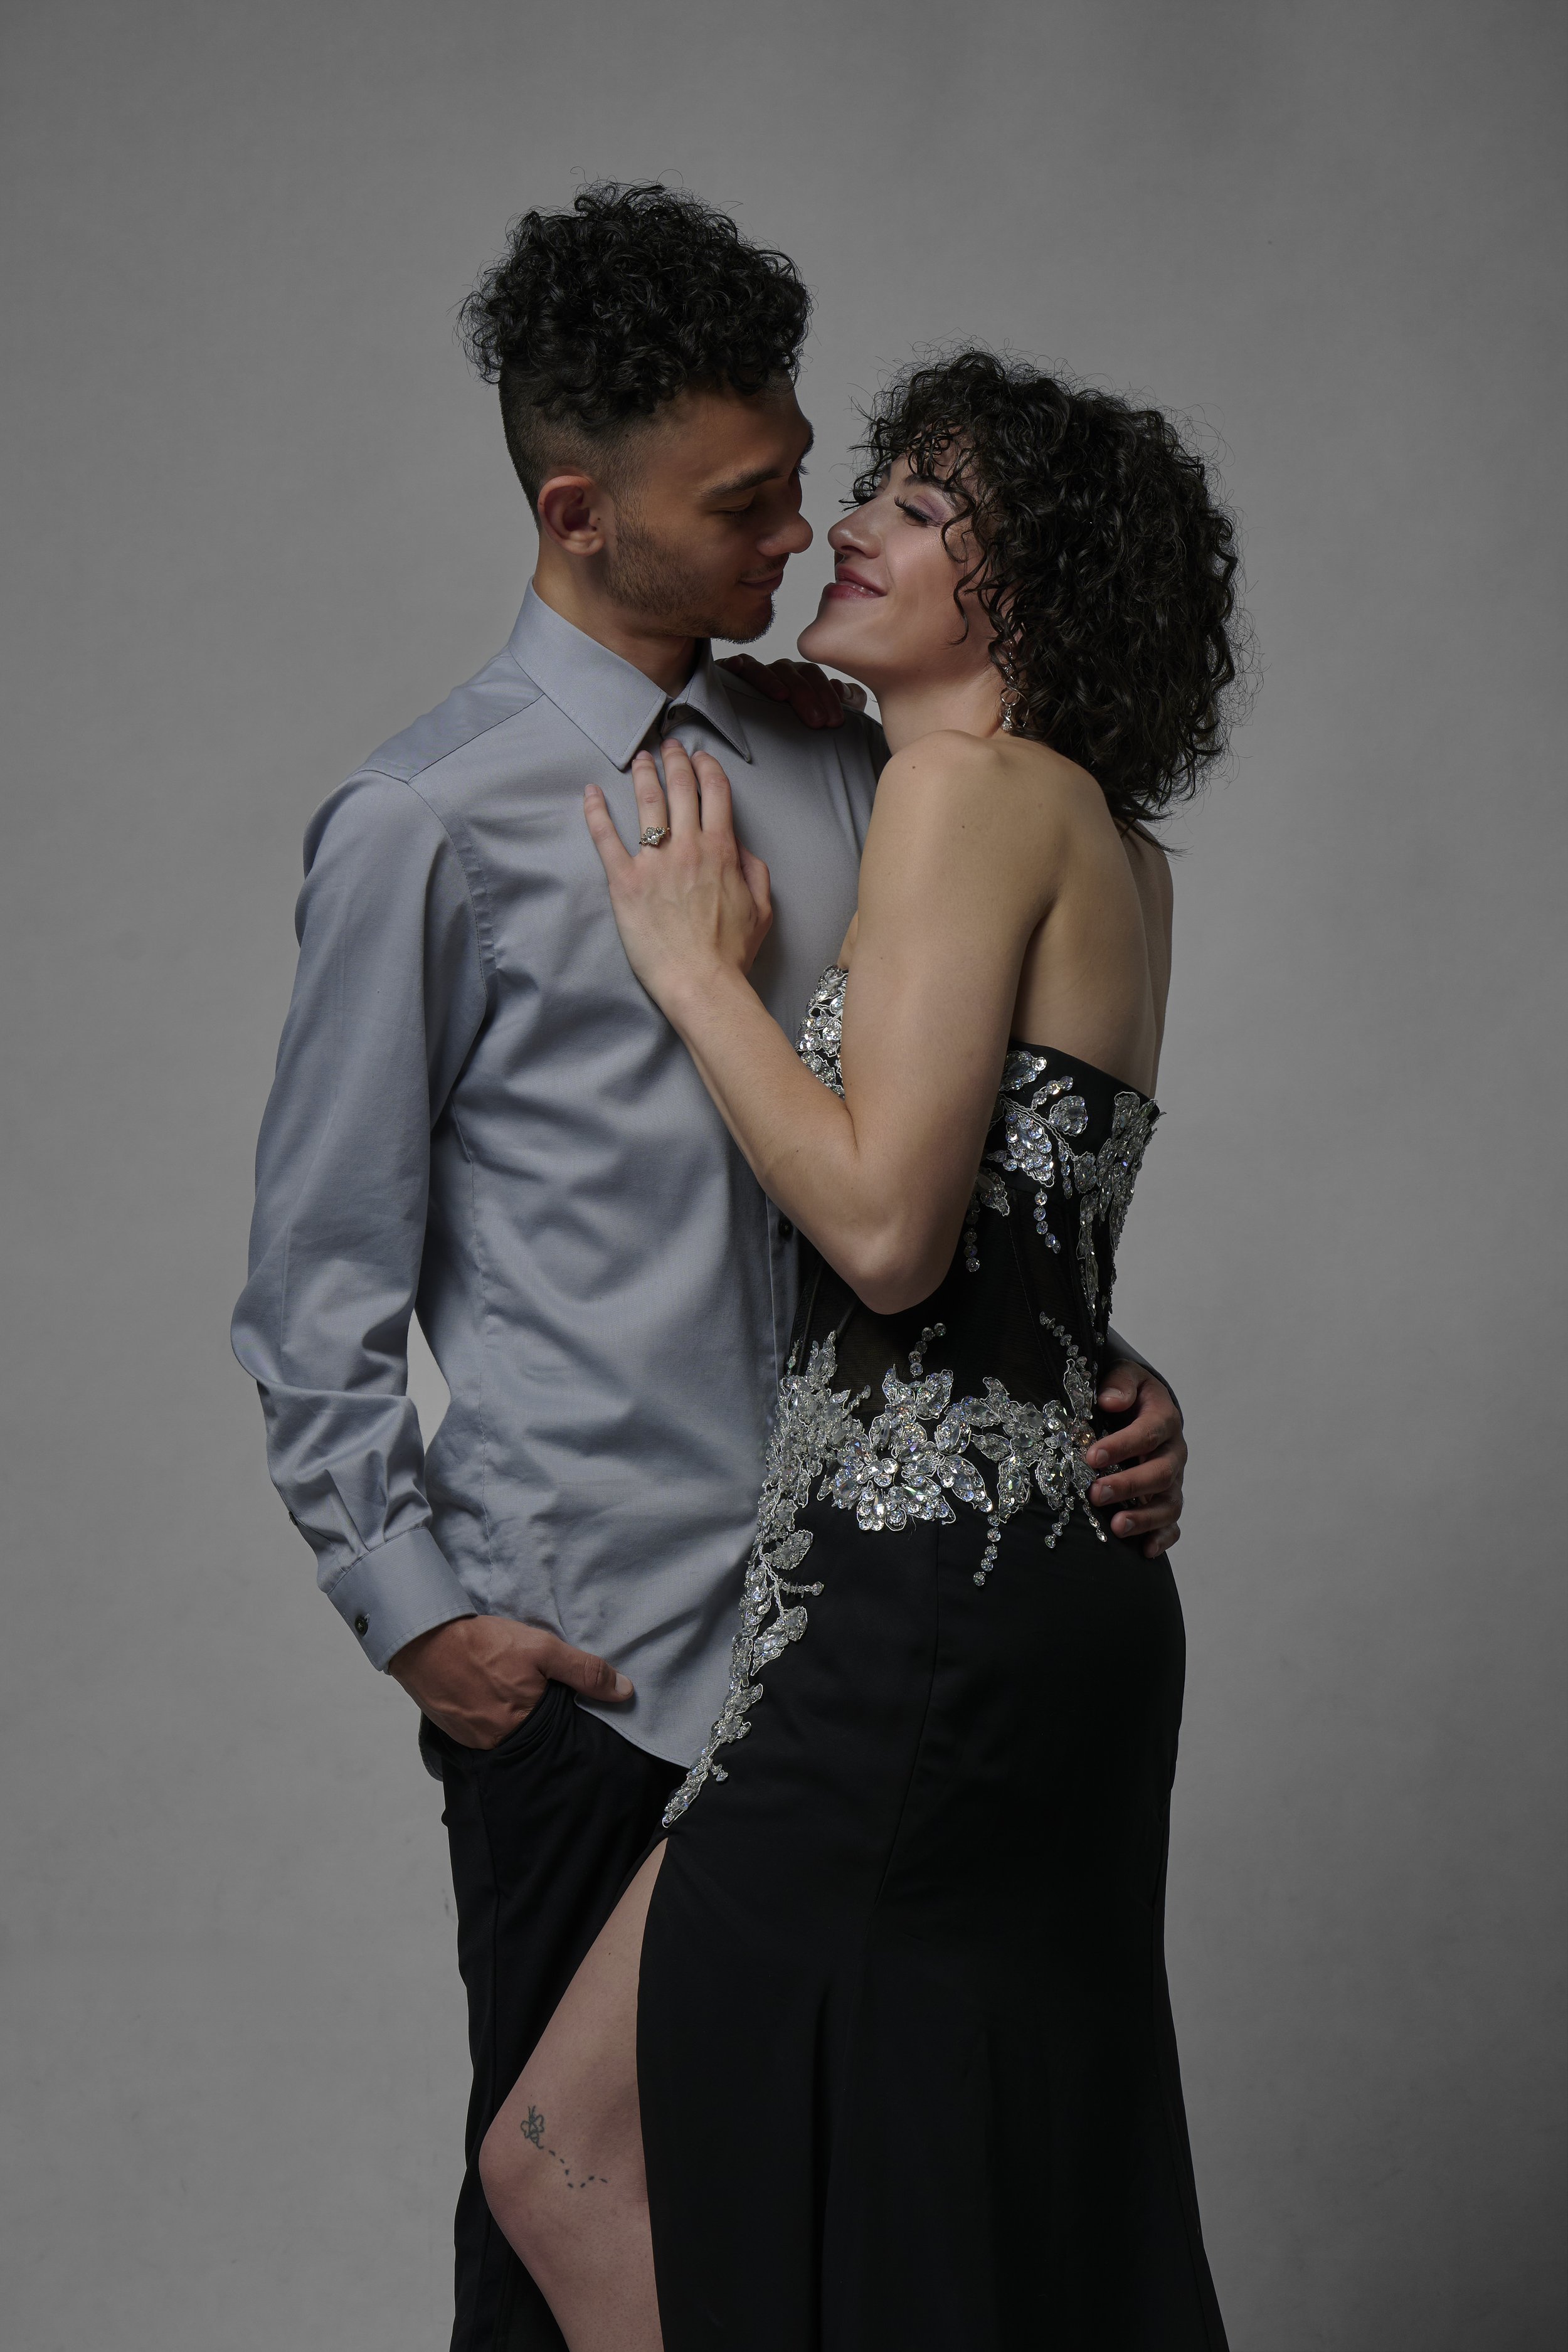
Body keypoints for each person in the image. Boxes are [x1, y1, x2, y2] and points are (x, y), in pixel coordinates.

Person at [231, 188, 1190, 2352]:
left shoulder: (853, 752)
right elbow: (314, 1283)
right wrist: (418, 1622)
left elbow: (944, 1172)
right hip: (607, 1664)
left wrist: (1096, 1383)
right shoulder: (427, 826)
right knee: (565, 2246)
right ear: (581, 515)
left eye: (806, 476)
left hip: (866, 1658)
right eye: (747, 500)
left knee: (851, 2247)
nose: (798, 532)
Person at [476, 351, 1242, 2351]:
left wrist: (687, 973)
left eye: (918, 507)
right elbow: (1024, 1250)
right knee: (931, 2203)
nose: (851, 527)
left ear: (1029, 588)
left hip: (916, 1618)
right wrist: (1121, 1383)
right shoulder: (1106, 840)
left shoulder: (968, 793)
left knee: (575, 2157)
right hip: (1021, 1603)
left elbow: (898, 1241)